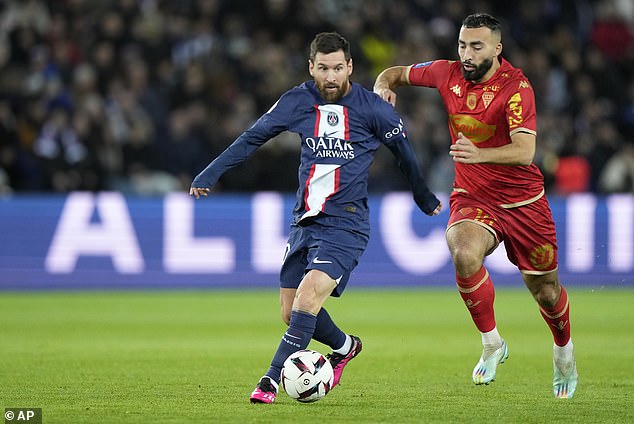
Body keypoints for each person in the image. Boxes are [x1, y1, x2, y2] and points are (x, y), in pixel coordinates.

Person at [190, 31, 442, 404]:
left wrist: (423, 196)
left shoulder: (373, 108)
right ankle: (344, 346)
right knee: (290, 312)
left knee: (307, 300)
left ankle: (269, 381)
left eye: (338, 68)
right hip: (305, 220)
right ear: (311, 68)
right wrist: (210, 172)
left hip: (348, 223)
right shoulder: (295, 101)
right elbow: (253, 137)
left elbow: (404, 153)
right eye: (323, 68)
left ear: (350, 67)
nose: (330, 77)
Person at [374, 13, 578, 399]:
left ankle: (564, 351)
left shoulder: (516, 88)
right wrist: (382, 84)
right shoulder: (445, 73)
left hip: (524, 203)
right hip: (474, 197)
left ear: (497, 48)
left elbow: (526, 150)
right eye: (463, 45)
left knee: (546, 292)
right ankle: (492, 343)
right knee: (463, 252)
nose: (466, 54)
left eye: (477, 46)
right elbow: (394, 72)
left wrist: (479, 152)